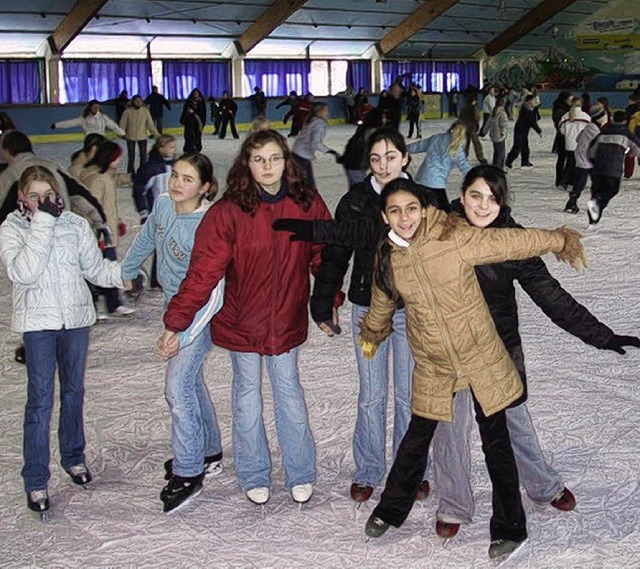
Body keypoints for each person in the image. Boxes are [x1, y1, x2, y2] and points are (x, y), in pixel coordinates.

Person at [358, 176, 588, 561]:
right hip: (435, 365)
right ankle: (390, 510)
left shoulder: (453, 236)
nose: (405, 217)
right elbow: (382, 301)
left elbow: (508, 242)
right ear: (385, 216)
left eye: (411, 208)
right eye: (395, 211)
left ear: (424, 209)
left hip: (482, 358)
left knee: (497, 445)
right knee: (415, 443)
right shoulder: (388, 258)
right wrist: (373, 333)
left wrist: (557, 238)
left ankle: (510, 527)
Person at [429, 164, 639, 540]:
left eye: (493, 199)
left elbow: (550, 295)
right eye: (475, 196)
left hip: (497, 350)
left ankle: (543, 486)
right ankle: (454, 503)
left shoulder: (515, 241)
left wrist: (602, 335)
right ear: (461, 196)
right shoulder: (440, 234)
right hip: (449, 350)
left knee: (515, 423)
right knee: (449, 428)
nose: (482, 206)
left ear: (502, 202)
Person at [159, 130, 334, 507]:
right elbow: (203, 272)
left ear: (286, 161)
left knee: (289, 395)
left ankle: (300, 472)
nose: (267, 167)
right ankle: (254, 473)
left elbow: (324, 255)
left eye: (274, 158)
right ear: (247, 165)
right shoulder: (228, 212)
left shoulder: (307, 203)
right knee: (246, 398)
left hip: (285, 318)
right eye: (258, 160)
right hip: (242, 322)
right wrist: (177, 321)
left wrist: (328, 299)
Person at [305, 127, 440, 505]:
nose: (383, 165)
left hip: (413, 313)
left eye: (391, 157)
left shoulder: (425, 201)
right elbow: (335, 254)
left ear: (405, 158)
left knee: (407, 395)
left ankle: (409, 468)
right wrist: (323, 302)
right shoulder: (355, 201)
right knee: (371, 393)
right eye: (376, 158)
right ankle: (367, 468)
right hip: (368, 313)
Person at [0, 165, 131, 514]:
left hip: (74, 319)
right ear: (21, 198)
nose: (44, 201)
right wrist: (42, 223)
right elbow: (22, 272)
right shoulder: (12, 229)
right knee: (40, 401)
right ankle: (36, 479)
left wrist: (124, 274)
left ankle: (73, 456)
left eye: (49, 195)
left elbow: (95, 268)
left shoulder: (74, 225)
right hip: (38, 324)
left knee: (74, 392)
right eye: (35, 196)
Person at [122, 154, 225, 513]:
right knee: (191, 382)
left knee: (177, 387)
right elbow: (147, 236)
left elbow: (214, 292)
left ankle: (188, 471)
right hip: (173, 306)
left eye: (188, 179)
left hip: (201, 314)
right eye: (176, 176)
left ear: (205, 187)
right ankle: (208, 451)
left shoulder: (209, 224)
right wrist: (129, 268)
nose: (177, 184)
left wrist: (181, 335)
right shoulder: (165, 204)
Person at [80, 141, 136, 318]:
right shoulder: (97, 179)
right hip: (99, 233)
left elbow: (115, 181)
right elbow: (92, 208)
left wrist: (116, 221)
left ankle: (113, 304)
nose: (120, 159)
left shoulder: (106, 175)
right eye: (117, 156)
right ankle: (92, 307)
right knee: (95, 269)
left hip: (107, 230)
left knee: (109, 267)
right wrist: (98, 233)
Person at [131, 134, 177, 289]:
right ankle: (157, 279)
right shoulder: (152, 168)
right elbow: (139, 190)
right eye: (170, 147)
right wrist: (143, 212)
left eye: (174, 147)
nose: (173, 150)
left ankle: (166, 276)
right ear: (161, 148)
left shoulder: (176, 165)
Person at [587, 110, 640, 225]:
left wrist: (593, 162)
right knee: (612, 190)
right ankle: (598, 203)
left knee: (597, 191)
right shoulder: (626, 134)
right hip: (613, 169)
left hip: (597, 168)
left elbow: (591, 151)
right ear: (625, 121)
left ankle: (593, 218)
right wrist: (632, 153)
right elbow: (637, 148)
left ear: (612, 119)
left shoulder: (603, 132)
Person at [406, 121, 472, 211]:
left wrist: (403, 148)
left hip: (421, 179)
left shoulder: (436, 138)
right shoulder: (456, 149)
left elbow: (418, 146)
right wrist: (477, 176)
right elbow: (465, 167)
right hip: (436, 184)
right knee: (443, 212)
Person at [564, 104, 608, 214]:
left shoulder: (590, 126)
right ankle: (574, 200)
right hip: (586, 157)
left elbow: (578, 138)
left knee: (586, 179)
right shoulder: (595, 129)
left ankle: (573, 201)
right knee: (582, 180)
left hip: (583, 155)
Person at [291, 102, 339, 188]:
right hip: (302, 155)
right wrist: (331, 151)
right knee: (305, 183)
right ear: (319, 112)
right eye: (326, 110)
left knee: (307, 182)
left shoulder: (311, 120)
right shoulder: (319, 124)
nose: (328, 113)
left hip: (298, 152)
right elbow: (316, 143)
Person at [337, 107, 387, 186]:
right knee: (360, 190)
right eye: (383, 117)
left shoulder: (364, 128)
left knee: (357, 189)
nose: (385, 120)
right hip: (356, 163)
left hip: (352, 162)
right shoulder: (372, 131)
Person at [119, 95, 159, 174]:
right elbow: (123, 123)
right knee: (131, 156)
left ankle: (142, 171)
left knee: (143, 156)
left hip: (142, 136)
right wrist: (121, 133)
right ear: (133, 102)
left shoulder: (145, 111)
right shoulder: (128, 111)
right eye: (136, 101)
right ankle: (130, 173)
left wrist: (156, 134)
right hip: (130, 136)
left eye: (140, 101)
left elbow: (150, 124)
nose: (138, 103)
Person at [558, 98, 591, 193]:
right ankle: (573, 182)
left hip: (569, 143)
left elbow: (561, 130)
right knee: (579, 164)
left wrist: (568, 135)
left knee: (570, 163)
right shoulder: (586, 116)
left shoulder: (565, 116)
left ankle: (565, 182)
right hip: (581, 144)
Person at [51, 100, 125, 138]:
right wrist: (56, 125)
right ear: (90, 108)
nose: (96, 109)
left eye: (98, 107)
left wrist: (122, 133)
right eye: (94, 107)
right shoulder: (84, 118)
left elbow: (113, 126)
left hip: (101, 140)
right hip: (89, 140)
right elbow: (70, 123)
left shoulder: (103, 118)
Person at [505, 94, 541, 170]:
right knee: (517, 147)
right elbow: (532, 122)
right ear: (528, 101)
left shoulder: (529, 109)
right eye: (533, 100)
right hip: (519, 131)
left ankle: (525, 162)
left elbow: (533, 120)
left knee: (525, 148)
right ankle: (508, 162)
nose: (534, 102)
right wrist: (539, 131)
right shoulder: (526, 110)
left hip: (524, 132)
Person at [551, 91, 573, 186]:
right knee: (563, 159)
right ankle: (561, 179)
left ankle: (562, 179)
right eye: (570, 99)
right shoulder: (561, 110)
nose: (571, 101)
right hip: (562, 137)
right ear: (565, 99)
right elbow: (558, 123)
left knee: (563, 159)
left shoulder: (565, 108)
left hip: (564, 137)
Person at [458, 94, 486, 164]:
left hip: (464, 127)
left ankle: (464, 157)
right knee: (476, 143)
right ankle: (480, 157)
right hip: (472, 127)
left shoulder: (463, 109)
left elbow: (460, 118)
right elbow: (477, 117)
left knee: (466, 143)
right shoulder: (474, 108)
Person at [487, 96, 508, 169]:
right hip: (499, 135)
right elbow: (503, 124)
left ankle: (495, 165)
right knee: (501, 152)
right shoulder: (502, 113)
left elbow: (488, 123)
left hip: (493, 134)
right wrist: (503, 132)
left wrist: (484, 131)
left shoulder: (493, 111)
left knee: (496, 151)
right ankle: (499, 167)